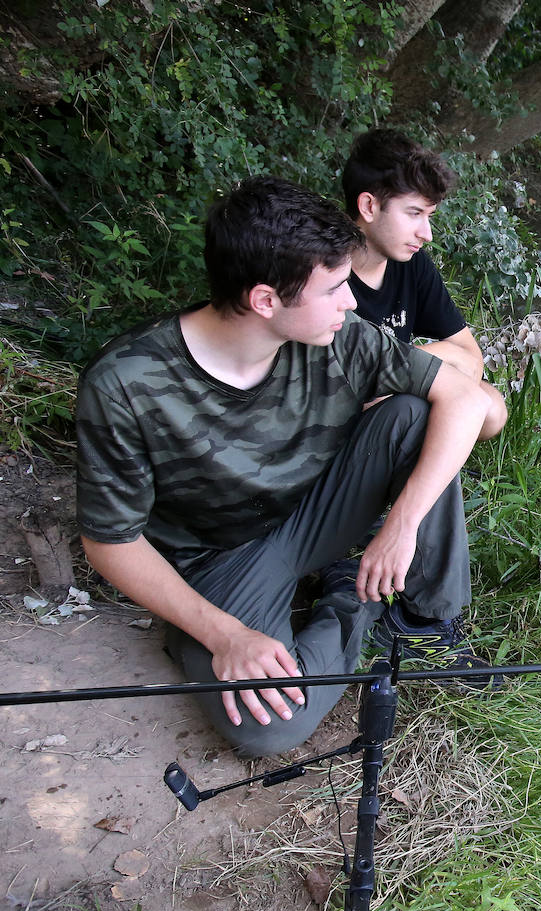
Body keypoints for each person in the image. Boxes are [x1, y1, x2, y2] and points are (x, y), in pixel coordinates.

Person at [76, 176, 492, 757]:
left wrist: (400, 527)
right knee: (271, 726)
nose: (351, 302)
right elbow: (109, 542)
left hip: (316, 513)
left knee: (413, 414)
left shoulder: (342, 337)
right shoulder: (126, 384)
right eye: (334, 289)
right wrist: (223, 634)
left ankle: (428, 625)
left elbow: (472, 403)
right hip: (217, 564)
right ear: (265, 300)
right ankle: (354, 599)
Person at [342, 127, 507, 439]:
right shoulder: (324, 275)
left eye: (428, 216)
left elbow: (471, 359)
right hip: (339, 434)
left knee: (491, 407)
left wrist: (400, 370)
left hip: (396, 399)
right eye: (414, 213)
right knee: (417, 409)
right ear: (368, 207)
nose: (426, 233)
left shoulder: (412, 266)